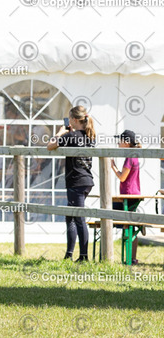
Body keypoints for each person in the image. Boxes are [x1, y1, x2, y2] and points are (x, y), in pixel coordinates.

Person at [47, 105, 96, 262]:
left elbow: (50, 145)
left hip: (76, 181)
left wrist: (60, 133)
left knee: (79, 218)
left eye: (70, 118)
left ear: (74, 120)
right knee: (71, 217)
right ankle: (69, 254)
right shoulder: (90, 136)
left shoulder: (71, 136)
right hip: (86, 180)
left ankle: (83, 257)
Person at [111, 129, 142, 264]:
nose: (118, 142)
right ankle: (131, 258)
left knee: (112, 217)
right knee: (129, 227)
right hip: (132, 195)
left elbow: (122, 177)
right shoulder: (133, 155)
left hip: (128, 195)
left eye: (120, 140)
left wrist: (112, 166)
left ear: (127, 143)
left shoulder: (129, 157)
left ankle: (129, 258)